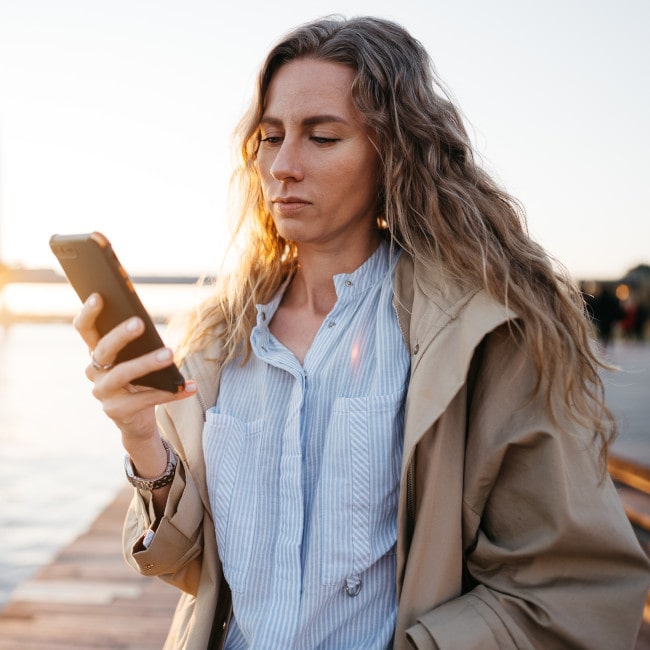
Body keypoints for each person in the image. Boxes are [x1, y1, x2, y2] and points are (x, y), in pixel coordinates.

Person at [73, 15, 650, 650]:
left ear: (393, 154)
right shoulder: (220, 339)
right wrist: (141, 440)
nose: (284, 166)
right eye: (269, 137)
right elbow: (191, 566)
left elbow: (571, 585)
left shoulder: (478, 337)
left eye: (321, 137)